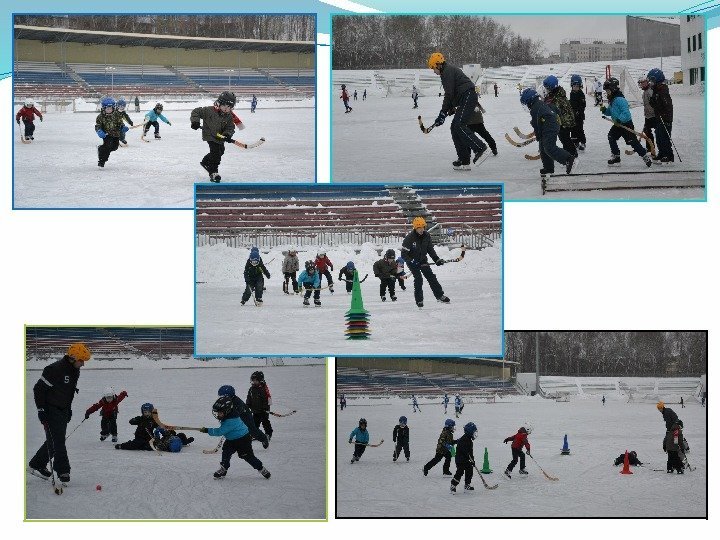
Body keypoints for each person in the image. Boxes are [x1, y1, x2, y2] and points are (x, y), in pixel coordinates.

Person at [28, 343, 91, 483]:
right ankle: (63, 471)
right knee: (59, 441)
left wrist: (68, 409)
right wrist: (41, 410)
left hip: (63, 410)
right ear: (73, 358)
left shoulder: (75, 370)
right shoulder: (54, 370)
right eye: (81, 360)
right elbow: (38, 389)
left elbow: (68, 392)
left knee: (54, 440)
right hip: (50, 409)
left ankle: (37, 463)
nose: (83, 364)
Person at [427, 52, 487, 170]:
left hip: (468, 96)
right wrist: (449, 109)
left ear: (438, 64)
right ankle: (464, 160)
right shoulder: (446, 72)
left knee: (459, 125)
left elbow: (449, 94)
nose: (433, 71)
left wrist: (443, 112)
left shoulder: (447, 72)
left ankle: (480, 148)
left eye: (433, 68)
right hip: (464, 98)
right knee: (454, 128)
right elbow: (454, 93)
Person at [200, 396, 271, 480]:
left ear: (227, 410)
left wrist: (207, 430)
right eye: (217, 412)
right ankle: (223, 468)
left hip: (243, 440)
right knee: (226, 452)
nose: (218, 415)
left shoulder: (231, 420)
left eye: (220, 413)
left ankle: (261, 468)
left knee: (247, 456)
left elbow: (219, 431)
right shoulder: (229, 415)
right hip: (231, 440)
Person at [520, 88, 575, 177]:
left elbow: (536, 124)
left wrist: (538, 135)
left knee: (549, 147)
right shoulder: (540, 103)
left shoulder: (535, 108)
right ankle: (548, 168)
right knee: (543, 147)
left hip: (550, 127)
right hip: (549, 125)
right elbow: (554, 108)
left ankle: (569, 159)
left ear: (529, 100)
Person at [601, 77, 652, 167]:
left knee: (632, 142)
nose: (607, 92)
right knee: (611, 137)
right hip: (617, 125)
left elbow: (626, 113)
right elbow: (611, 112)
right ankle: (616, 156)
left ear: (613, 89)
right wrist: (605, 110)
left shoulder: (620, 99)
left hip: (626, 124)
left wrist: (619, 120)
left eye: (608, 90)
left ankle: (644, 155)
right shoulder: (612, 99)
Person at [401, 216, 449, 308]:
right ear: (415, 228)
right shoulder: (409, 238)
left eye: (422, 227)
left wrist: (436, 259)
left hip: (422, 260)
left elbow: (430, 250)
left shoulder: (427, 236)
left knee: (431, 277)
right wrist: (412, 261)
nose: (421, 229)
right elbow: (403, 254)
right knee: (418, 279)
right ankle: (419, 300)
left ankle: (439, 296)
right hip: (412, 262)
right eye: (419, 228)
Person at [191, 91, 236, 182]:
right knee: (216, 153)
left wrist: (227, 134)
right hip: (210, 135)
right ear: (219, 103)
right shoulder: (209, 110)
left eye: (229, 107)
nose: (226, 109)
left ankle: (205, 162)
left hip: (220, 137)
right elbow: (196, 111)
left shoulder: (229, 116)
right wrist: (195, 122)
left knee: (221, 151)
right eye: (224, 106)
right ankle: (213, 172)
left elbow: (230, 127)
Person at [543, 75, 576, 157]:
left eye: (547, 88)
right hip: (562, 121)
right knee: (564, 138)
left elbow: (553, 109)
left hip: (566, 122)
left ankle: (572, 155)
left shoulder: (558, 98)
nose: (546, 90)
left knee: (565, 139)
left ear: (552, 88)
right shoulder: (554, 94)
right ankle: (569, 154)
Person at [647, 68, 674, 163]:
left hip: (665, 118)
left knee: (664, 137)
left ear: (657, 79)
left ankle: (668, 155)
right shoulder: (656, 90)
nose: (651, 83)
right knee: (658, 136)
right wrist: (653, 101)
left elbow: (667, 105)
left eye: (652, 80)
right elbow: (655, 104)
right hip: (659, 117)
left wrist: (666, 116)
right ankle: (662, 153)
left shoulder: (663, 90)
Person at [95, 96, 127, 168]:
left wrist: (123, 127)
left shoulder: (117, 115)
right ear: (104, 108)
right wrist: (99, 131)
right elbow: (97, 125)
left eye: (111, 108)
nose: (109, 110)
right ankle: (102, 161)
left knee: (114, 147)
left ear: (113, 108)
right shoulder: (100, 117)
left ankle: (100, 148)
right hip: (106, 135)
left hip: (116, 134)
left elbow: (120, 123)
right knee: (107, 147)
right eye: (107, 109)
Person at [451, 422, 477, 493]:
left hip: (466, 459)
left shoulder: (469, 440)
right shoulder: (463, 439)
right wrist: (469, 457)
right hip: (460, 460)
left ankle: (467, 484)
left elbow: (470, 452)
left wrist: (473, 460)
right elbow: (465, 451)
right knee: (460, 472)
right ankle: (453, 485)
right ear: (470, 432)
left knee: (470, 470)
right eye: (474, 432)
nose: (475, 434)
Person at [246, 371, 273, 440]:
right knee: (254, 423)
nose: (254, 382)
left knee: (265, 422)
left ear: (260, 380)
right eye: (253, 380)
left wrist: (265, 408)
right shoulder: (251, 389)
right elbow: (249, 398)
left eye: (256, 380)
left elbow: (266, 400)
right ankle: (254, 434)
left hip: (263, 411)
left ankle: (268, 434)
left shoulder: (263, 389)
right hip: (255, 410)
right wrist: (247, 405)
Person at [638, 77, 657, 155]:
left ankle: (658, 150)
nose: (642, 84)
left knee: (658, 133)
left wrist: (654, 112)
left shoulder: (650, 91)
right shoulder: (644, 92)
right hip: (648, 116)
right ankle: (649, 148)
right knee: (647, 131)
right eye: (641, 83)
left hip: (654, 116)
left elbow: (655, 103)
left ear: (647, 82)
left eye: (643, 83)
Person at [569, 74, 586, 151]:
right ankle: (575, 142)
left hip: (579, 116)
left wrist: (578, 111)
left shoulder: (581, 94)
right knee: (573, 129)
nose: (575, 87)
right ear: (572, 85)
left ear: (580, 86)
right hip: (573, 115)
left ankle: (582, 142)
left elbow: (583, 105)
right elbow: (572, 103)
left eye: (577, 86)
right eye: (574, 86)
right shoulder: (572, 93)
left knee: (579, 129)